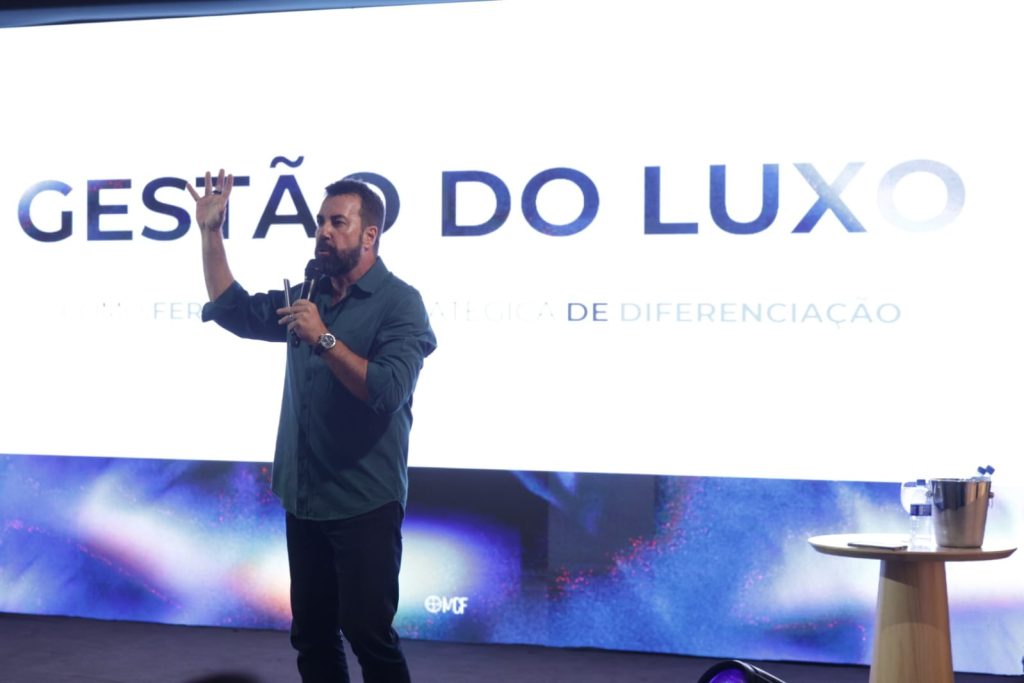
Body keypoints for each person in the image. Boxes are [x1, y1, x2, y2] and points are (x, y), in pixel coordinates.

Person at [187, 169, 436, 683]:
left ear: (370, 234)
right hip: (304, 498)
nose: (323, 231)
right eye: (320, 221)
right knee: (313, 636)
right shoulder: (308, 294)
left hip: (363, 500)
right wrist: (210, 232)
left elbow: (387, 392)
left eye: (337, 222)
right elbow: (234, 311)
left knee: (368, 634)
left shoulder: (400, 303)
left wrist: (323, 338)